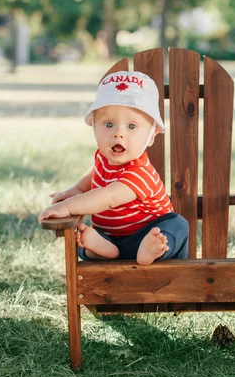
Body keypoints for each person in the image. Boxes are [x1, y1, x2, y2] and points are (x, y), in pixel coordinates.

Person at [38, 71, 189, 266]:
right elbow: (96, 171)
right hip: (110, 236)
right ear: (94, 127)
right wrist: (78, 188)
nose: (118, 134)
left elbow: (108, 197)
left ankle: (152, 252)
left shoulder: (140, 172)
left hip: (148, 233)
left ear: (151, 136)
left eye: (132, 126)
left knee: (178, 225)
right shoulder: (102, 157)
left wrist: (67, 206)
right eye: (108, 124)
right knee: (83, 237)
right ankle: (102, 249)